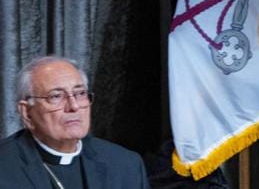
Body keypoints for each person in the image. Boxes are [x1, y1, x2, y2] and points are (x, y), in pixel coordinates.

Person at [0, 56, 150, 189]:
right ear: (27, 113)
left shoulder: (125, 164)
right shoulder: (4, 167)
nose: (74, 106)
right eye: (56, 96)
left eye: (80, 93)